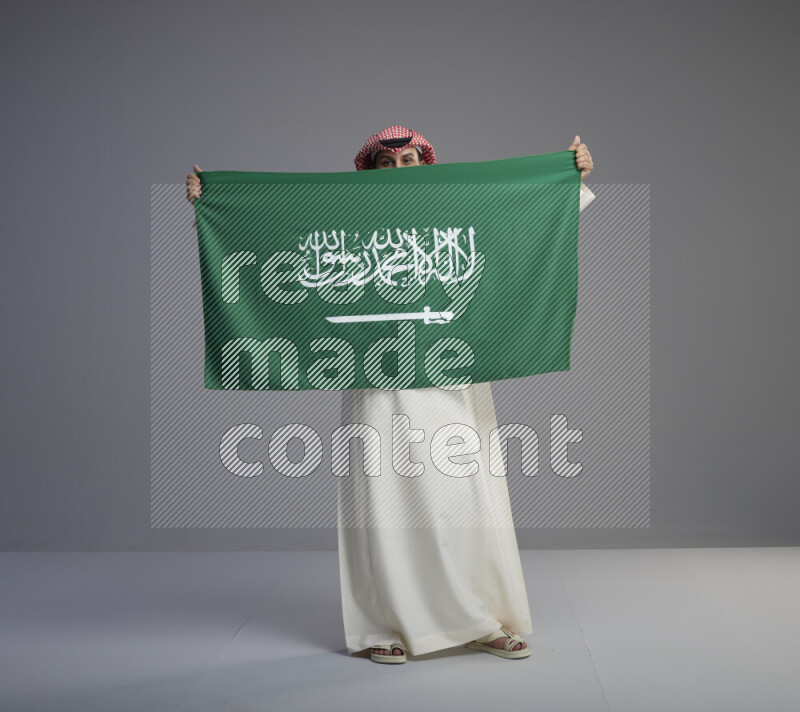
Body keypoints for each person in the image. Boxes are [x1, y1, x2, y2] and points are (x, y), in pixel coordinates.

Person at [185, 127, 595, 664]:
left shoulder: (458, 207)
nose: (400, 170)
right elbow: (272, 238)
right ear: (368, 173)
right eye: (386, 163)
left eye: (409, 159)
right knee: (383, 502)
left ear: (427, 165)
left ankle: (482, 620)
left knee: (464, 500)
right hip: (375, 377)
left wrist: (571, 177)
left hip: (455, 372)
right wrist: (214, 202)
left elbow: (523, 225)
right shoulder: (347, 221)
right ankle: (385, 626)